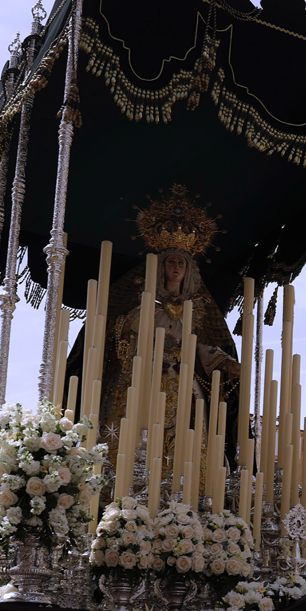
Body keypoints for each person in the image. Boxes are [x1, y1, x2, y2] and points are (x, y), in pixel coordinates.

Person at [99, 188, 242, 479]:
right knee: (131, 426)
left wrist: (224, 362)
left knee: (186, 429)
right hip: (141, 374)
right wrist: (138, 317)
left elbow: (200, 345)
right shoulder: (142, 300)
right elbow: (119, 334)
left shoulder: (197, 308)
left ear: (189, 270)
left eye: (181, 263)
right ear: (160, 266)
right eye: (171, 262)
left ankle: (184, 481)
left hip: (180, 375)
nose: (176, 267)